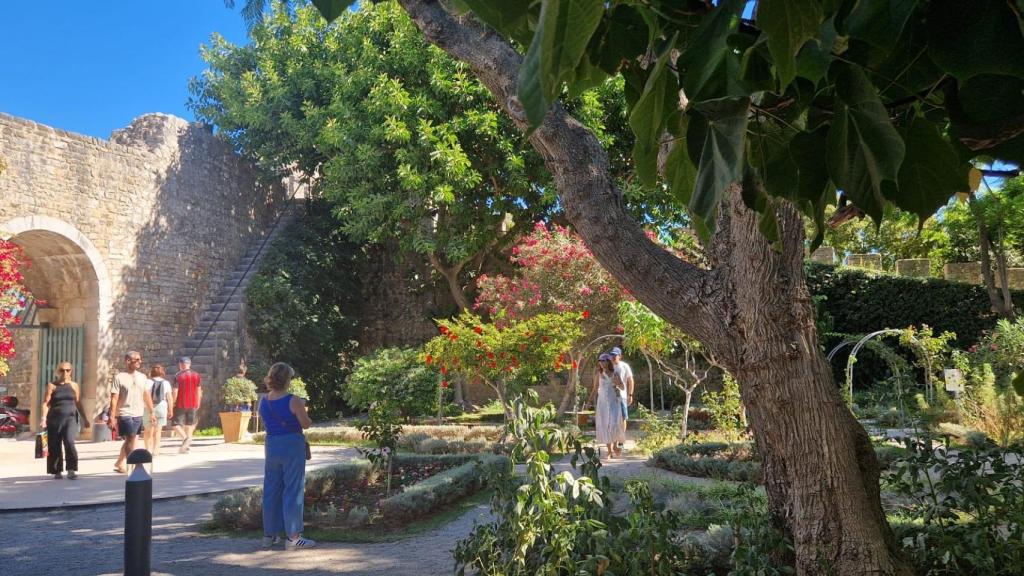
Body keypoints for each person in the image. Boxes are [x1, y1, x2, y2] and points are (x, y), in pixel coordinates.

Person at [259, 362, 315, 550]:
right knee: (293, 488)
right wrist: (307, 414)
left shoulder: (264, 401)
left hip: (272, 444)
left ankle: (269, 535)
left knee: (271, 488)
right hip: (291, 444)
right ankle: (293, 537)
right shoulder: (294, 400)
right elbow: (305, 424)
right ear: (287, 380)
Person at [39, 362, 90, 479]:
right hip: (54, 419)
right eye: (62, 370)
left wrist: (85, 418)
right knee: (54, 445)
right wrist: (43, 418)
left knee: (69, 442)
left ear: (71, 371)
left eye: (68, 370)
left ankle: (71, 469)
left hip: (70, 419)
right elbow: (45, 403)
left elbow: (78, 403)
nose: (65, 372)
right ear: (58, 371)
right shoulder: (52, 386)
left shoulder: (74, 385)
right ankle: (57, 470)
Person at [111, 351, 156, 474]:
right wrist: (112, 416)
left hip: (138, 412)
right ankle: (133, 465)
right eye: (137, 359)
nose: (140, 362)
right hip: (124, 412)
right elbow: (114, 398)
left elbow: (146, 395)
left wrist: (151, 412)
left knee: (131, 439)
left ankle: (119, 462)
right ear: (128, 361)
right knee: (131, 437)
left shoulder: (142, 377)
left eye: (140, 359)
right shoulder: (119, 377)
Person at [587, 353, 625, 459]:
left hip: (614, 402)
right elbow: (595, 389)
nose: (602, 363)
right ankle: (609, 451)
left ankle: (615, 446)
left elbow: (622, 387)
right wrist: (589, 402)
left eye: (604, 361)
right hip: (602, 403)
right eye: (600, 361)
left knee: (614, 422)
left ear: (609, 362)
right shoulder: (598, 375)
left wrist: (618, 384)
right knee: (605, 424)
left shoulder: (615, 373)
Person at [171, 356, 202, 454]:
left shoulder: (178, 376)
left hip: (181, 403)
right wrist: (198, 401)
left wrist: (173, 402)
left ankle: (185, 439)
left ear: (180, 364)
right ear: (189, 364)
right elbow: (199, 390)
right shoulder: (196, 375)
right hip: (193, 403)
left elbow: (175, 391)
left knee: (175, 424)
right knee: (189, 424)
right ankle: (186, 447)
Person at [143, 364, 173, 460]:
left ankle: (148, 450)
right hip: (161, 406)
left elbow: (145, 395)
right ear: (162, 372)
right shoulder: (166, 383)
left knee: (148, 430)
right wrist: (170, 409)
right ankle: (156, 450)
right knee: (158, 430)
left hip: (149, 406)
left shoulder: (147, 382)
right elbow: (170, 398)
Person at [609, 347, 635, 439]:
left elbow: (630, 380)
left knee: (623, 417)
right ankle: (612, 437)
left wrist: (630, 395)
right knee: (611, 418)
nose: (613, 357)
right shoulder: (608, 366)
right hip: (610, 397)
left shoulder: (624, 366)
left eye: (615, 355)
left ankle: (621, 438)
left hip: (622, 395)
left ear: (619, 356)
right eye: (611, 355)